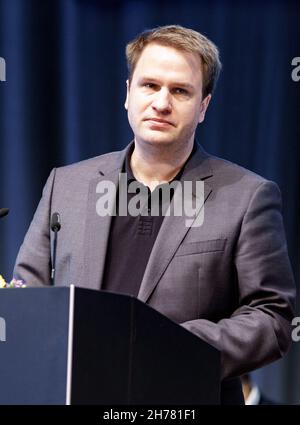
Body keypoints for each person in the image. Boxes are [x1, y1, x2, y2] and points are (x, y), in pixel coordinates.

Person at [13, 25, 295, 405]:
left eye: (180, 91)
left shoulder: (247, 197)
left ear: (204, 106)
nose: (162, 103)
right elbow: (28, 300)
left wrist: (172, 347)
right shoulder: (66, 185)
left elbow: (272, 318)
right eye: (150, 86)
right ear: (127, 94)